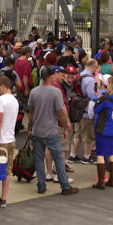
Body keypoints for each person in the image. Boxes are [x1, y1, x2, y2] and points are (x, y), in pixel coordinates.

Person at [26, 66, 78, 196]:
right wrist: (66, 126)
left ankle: (41, 185)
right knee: (58, 158)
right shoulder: (56, 92)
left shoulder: (34, 92)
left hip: (37, 130)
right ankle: (65, 185)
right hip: (51, 130)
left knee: (39, 158)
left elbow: (30, 112)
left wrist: (30, 127)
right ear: (50, 76)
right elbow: (60, 111)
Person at [0, 76, 18, 208]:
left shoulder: (0, 100)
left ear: (2, 85)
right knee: (7, 171)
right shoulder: (14, 100)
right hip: (10, 138)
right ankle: (3, 199)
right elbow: (3, 119)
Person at [91, 75, 113, 189]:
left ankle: (101, 181)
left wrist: (98, 98)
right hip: (112, 127)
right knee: (111, 153)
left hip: (103, 128)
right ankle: (112, 179)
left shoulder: (106, 99)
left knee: (100, 154)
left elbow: (96, 109)